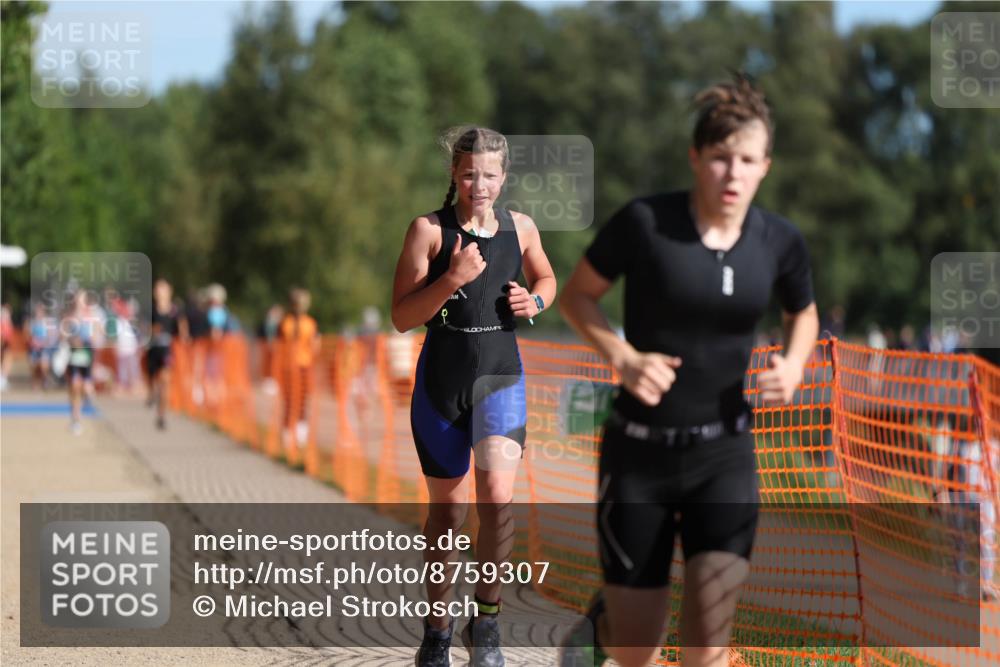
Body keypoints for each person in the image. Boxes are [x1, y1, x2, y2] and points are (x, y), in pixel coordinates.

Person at [557, 74, 819, 667]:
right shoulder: (646, 224)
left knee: (707, 647)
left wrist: (796, 363)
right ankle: (605, 626)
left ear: (765, 167)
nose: (733, 173)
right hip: (638, 458)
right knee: (638, 651)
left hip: (723, 456)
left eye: (747, 160)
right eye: (721, 158)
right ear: (695, 158)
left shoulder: (779, 242)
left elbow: (802, 312)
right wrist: (622, 357)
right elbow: (577, 297)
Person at [391, 126, 556, 667]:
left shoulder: (522, 228)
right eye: (468, 174)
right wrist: (451, 279)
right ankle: (437, 632)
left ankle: (485, 624)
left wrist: (535, 300)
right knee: (449, 511)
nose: (478, 184)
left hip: (501, 375)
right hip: (443, 380)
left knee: (497, 499)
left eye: (488, 174)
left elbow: (547, 279)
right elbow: (401, 317)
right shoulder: (429, 231)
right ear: (454, 175)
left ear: (503, 177)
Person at [278, 288, 320, 453]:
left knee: (301, 401)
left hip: (302, 366)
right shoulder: (287, 323)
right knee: (290, 401)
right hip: (291, 366)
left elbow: (314, 345)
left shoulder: (308, 323)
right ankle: (288, 434)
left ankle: (299, 436)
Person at [146, 279, 188, 430]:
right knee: (152, 382)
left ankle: (161, 415)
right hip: (152, 351)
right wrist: (151, 331)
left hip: (167, 351)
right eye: (157, 289)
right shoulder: (151, 310)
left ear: (169, 291)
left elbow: (182, 330)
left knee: (165, 381)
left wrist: (184, 337)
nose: (160, 292)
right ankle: (152, 394)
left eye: (163, 289)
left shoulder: (175, 311)